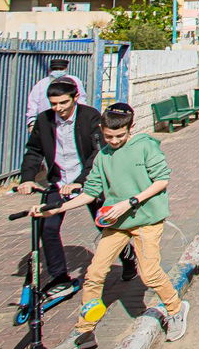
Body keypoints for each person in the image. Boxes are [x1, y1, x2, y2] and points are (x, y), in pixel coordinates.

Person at [37, 103, 189, 349]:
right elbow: (90, 192)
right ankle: (84, 329)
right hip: (117, 223)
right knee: (95, 273)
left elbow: (162, 180)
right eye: (109, 136)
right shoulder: (102, 156)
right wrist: (54, 209)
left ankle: (175, 309)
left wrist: (131, 202)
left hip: (147, 219)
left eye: (120, 136)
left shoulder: (145, 147)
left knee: (150, 273)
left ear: (131, 129)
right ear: (102, 131)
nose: (115, 141)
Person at [16, 80, 137, 297]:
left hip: (89, 180)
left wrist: (81, 181)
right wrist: (27, 179)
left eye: (63, 102)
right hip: (59, 182)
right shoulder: (44, 120)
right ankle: (60, 277)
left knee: (106, 226)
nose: (58, 108)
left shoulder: (90, 117)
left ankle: (128, 259)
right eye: (53, 104)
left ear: (75, 98)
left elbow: (97, 153)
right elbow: (34, 151)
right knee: (48, 227)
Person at [24, 59, 85, 131]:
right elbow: (33, 104)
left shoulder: (74, 81)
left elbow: (81, 101)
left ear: (65, 69)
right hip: (47, 122)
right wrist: (32, 123)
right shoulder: (41, 84)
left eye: (60, 69)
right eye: (56, 69)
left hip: (70, 123)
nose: (58, 71)